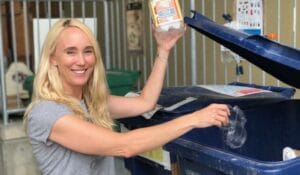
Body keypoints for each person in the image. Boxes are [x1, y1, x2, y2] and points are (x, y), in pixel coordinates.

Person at [24, 19, 230, 175]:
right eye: (70, 52)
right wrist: (194, 119)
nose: (81, 61)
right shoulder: (47, 112)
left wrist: (163, 50)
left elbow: (145, 103)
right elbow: (124, 146)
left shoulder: (91, 101)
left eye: (88, 51)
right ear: (53, 59)